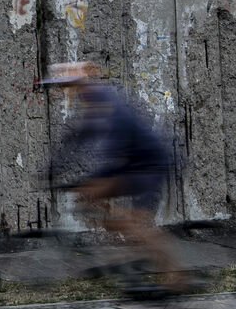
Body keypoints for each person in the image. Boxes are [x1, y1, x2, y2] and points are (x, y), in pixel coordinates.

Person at [40, 61, 188, 295]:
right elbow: (76, 139)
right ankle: (126, 253)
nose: (64, 91)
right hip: (133, 163)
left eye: (66, 85)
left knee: (137, 222)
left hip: (149, 163)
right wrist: (53, 169)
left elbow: (113, 149)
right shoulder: (91, 101)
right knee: (89, 198)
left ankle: (176, 275)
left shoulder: (104, 101)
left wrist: (98, 178)